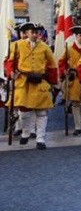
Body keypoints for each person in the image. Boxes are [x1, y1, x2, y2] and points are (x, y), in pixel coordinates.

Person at [5, 22, 58, 150]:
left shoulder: (45, 47)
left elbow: (51, 65)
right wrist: (10, 72)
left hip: (40, 81)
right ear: (26, 33)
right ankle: (25, 132)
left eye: (36, 32)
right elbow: (9, 61)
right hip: (23, 82)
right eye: (32, 32)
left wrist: (54, 82)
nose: (34, 34)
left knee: (42, 112)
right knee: (24, 111)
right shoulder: (17, 45)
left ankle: (40, 138)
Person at [58, 26, 81, 136]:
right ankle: (78, 126)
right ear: (76, 36)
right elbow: (61, 61)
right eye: (80, 35)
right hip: (75, 79)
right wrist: (64, 71)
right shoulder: (70, 48)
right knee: (75, 103)